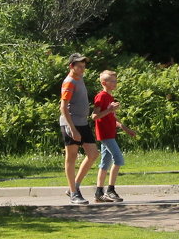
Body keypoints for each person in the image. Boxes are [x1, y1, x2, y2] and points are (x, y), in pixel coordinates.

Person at [58, 52, 99, 205]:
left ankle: (73, 186)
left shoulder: (79, 78)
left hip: (82, 122)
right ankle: (74, 193)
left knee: (93, 154)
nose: (82, 69)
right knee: (71, 157)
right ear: (71, 66)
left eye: (83, 66)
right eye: (79, 66)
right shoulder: (69, 82)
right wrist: (72, 129)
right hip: (71, 123)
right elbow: (63, 107)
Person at [91, 69, 137, 203]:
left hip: (110, 133)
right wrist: (109, 109)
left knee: (105, 163)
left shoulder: (110, 97)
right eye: (112, 81)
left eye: (116, 80)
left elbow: (112, 118)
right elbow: (95, 116)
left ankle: (99, 193)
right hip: (105, 134)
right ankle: (110, 190)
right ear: (104, 83)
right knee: (118, 159)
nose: (115, 83)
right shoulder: (101, 96)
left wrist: (125, 128)